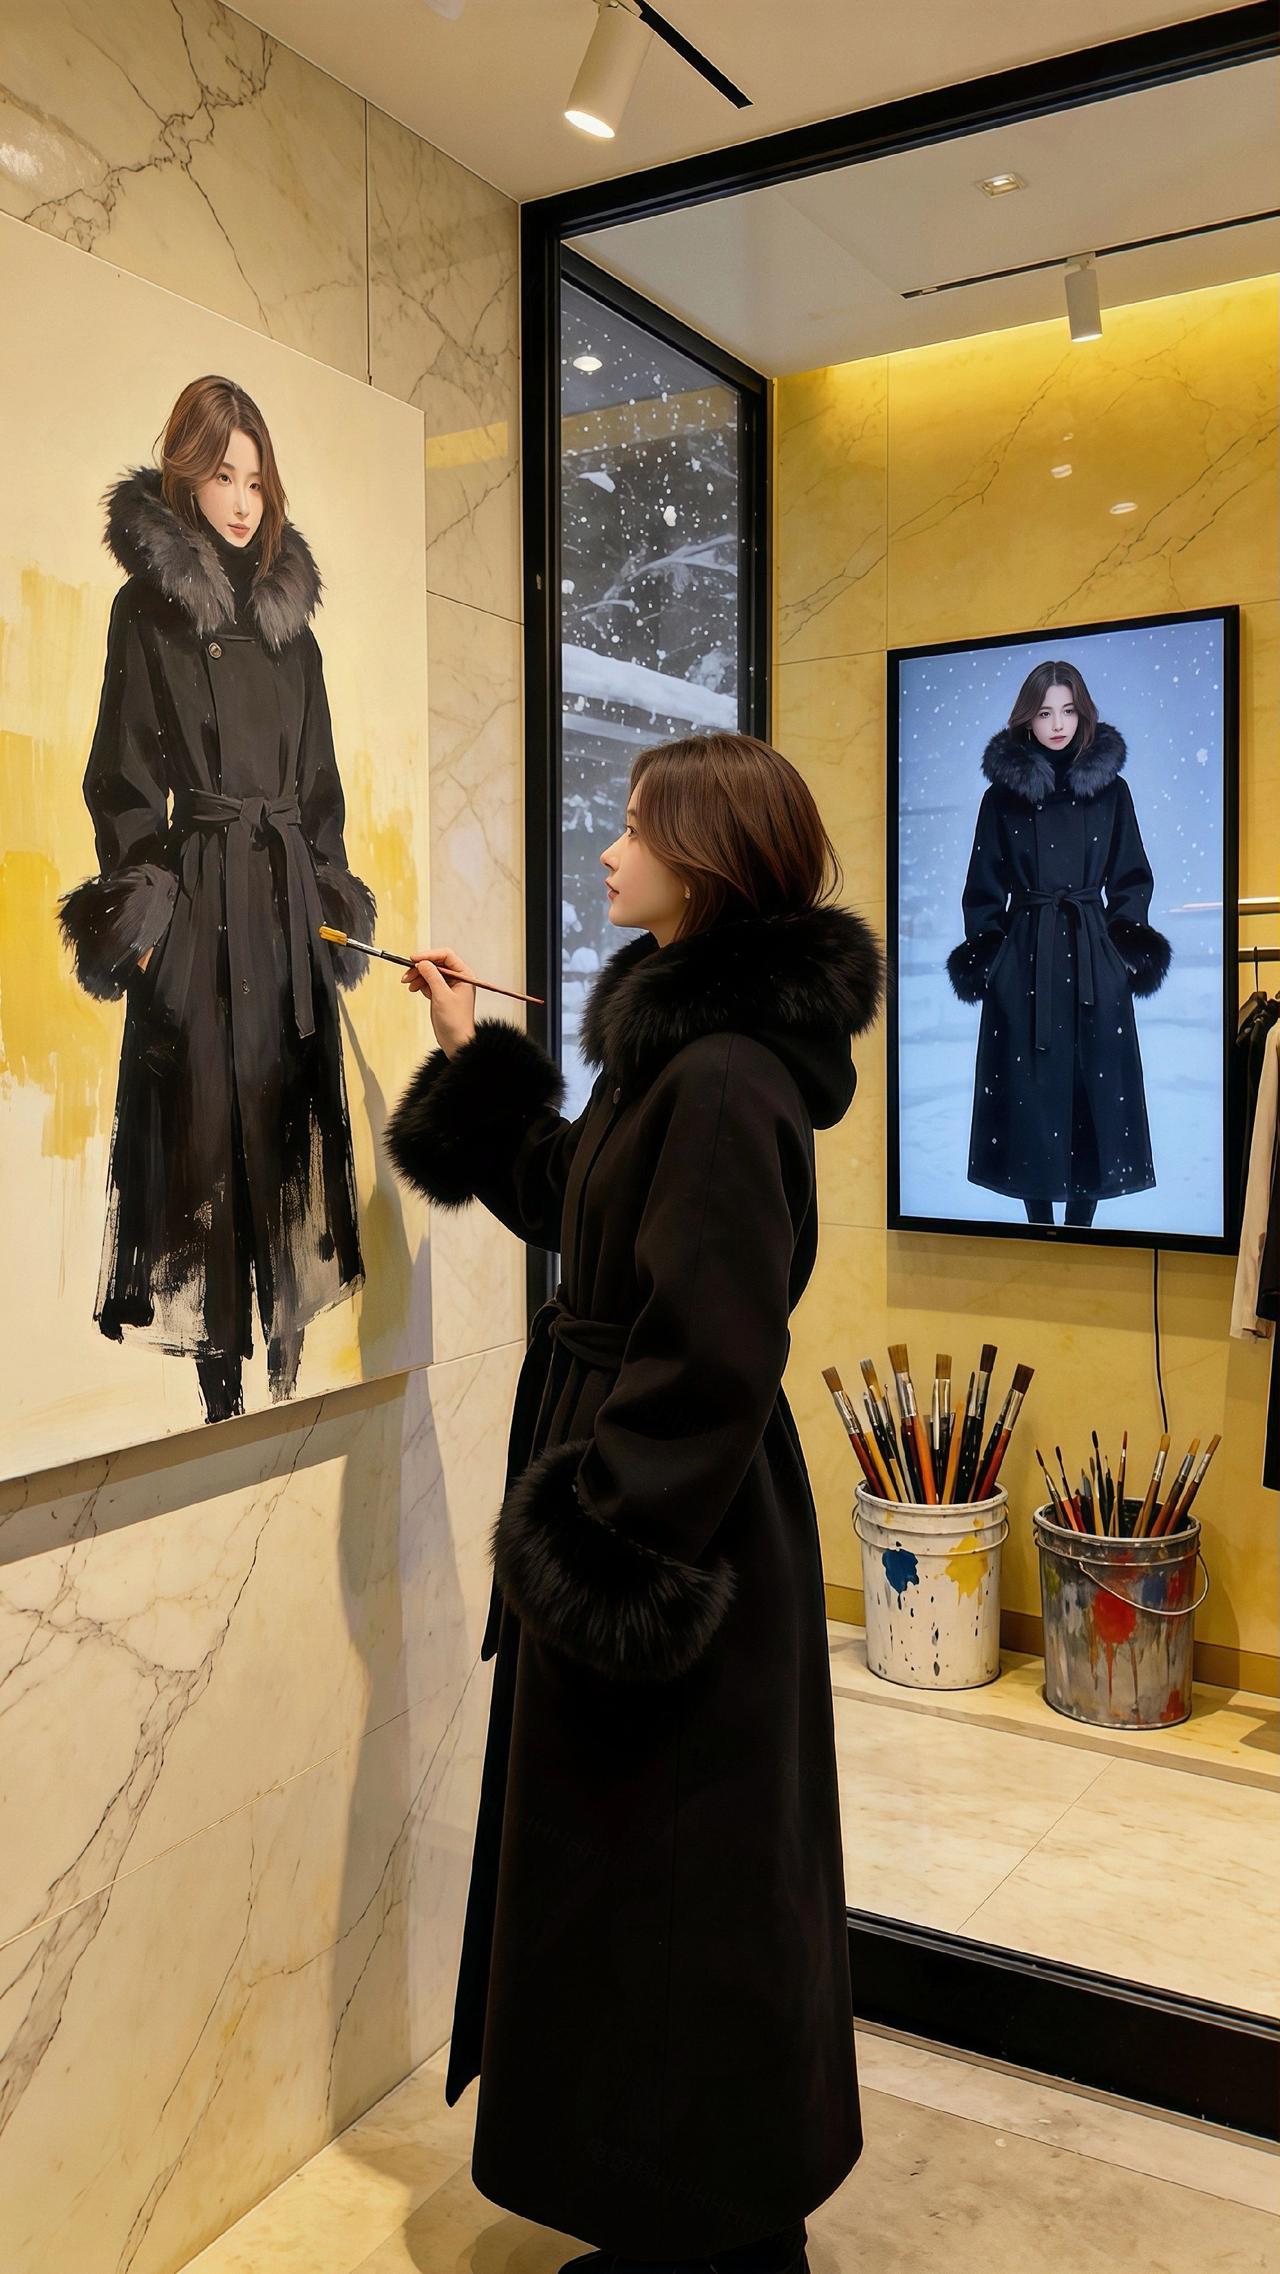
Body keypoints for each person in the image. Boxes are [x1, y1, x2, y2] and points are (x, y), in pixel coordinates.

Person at [383, 732, 885, 2274]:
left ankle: (729, 2236)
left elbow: (714, 1348)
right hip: (647, 1497)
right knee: (640, 1885)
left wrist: (603, 1545)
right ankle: (679, 2218)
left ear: (707, 859)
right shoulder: (679, 1054)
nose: (608, 852)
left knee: (687, 1885)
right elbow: (567, 1192)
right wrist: (468, 1048)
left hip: (676, 1526)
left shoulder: (724, 1078)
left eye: (635, 828)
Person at [59, 374, 375, 1422]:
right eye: (221, 476)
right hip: (197, 911)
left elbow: (321, 789)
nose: (241, 501)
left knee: (284, 1145)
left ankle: (276, 1393)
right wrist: (146, 922)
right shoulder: (146, 613)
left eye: (255, 479)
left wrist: (327, 904)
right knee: (199, 1153)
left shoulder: (293, 628)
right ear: (185, 478)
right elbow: (120, 778)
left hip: (283, 916)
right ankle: (218, 1398)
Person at [945, 659, 1172, 1228]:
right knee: (1031, 1095)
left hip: (1094, 956)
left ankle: (1080, 1229)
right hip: (1026, 958)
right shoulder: (1002, 798)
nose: (1057, 724)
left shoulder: (1111, 791)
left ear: (1083, 713)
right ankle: (1040, 1227)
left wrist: (1123, 950)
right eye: (1045, 712)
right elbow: (982, 889)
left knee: (1093, 1089)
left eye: (1068, 710)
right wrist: (992, 959)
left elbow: (1132, 877)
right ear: (1027, 717)